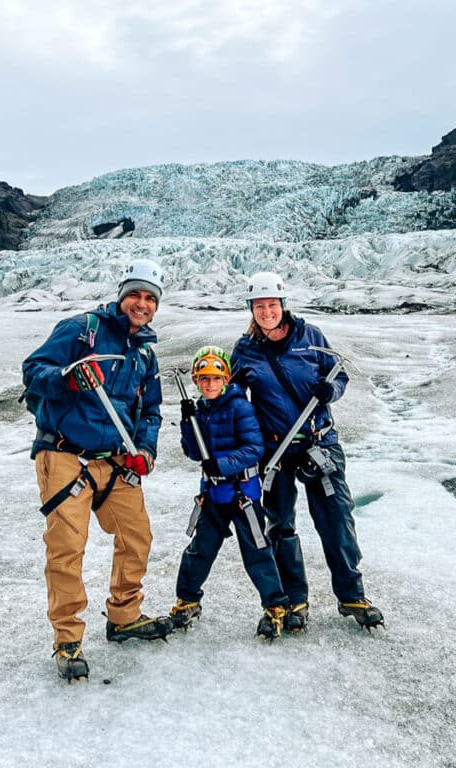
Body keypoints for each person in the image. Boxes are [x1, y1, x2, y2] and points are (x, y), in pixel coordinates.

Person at [22, 258, 173, 682]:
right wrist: (69, 377)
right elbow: (33, 371)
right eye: (135, 295)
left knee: (136, 535)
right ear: (121, 295)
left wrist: (145, 448)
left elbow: (152, 410)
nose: (141, 304)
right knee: (67, 549)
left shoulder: (144, 353)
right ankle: (67, 638)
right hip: (65, 455)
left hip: (116, 460)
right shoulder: (81, 330)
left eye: (149, 298)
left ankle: (124, 616)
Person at [230, 271, 385, 632]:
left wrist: (331, 392)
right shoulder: (246, 349)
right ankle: (293, 599)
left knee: (336, 519)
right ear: (251, 309)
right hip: (274, 450)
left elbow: (338, 376)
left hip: (319, 444)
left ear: (283, 305)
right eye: (259, 306)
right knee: (280, 524)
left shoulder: (311, 337)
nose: (267, 312)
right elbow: (234, 396)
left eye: (272, 305)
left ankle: (351, 594)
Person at [168, 346, 291, 639]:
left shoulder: (240, 407)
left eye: (215, 377)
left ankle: (275, 606)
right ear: (197, 380)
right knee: (200, 551)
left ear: (226, 379)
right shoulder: (200, 410)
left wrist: (220, 463)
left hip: (242, 496)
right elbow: (193, 451)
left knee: (257, 552)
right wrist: (188, 423)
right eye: (204, 378)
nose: (210, 384)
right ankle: (187, 600)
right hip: (212, 495)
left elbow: (254, 449)